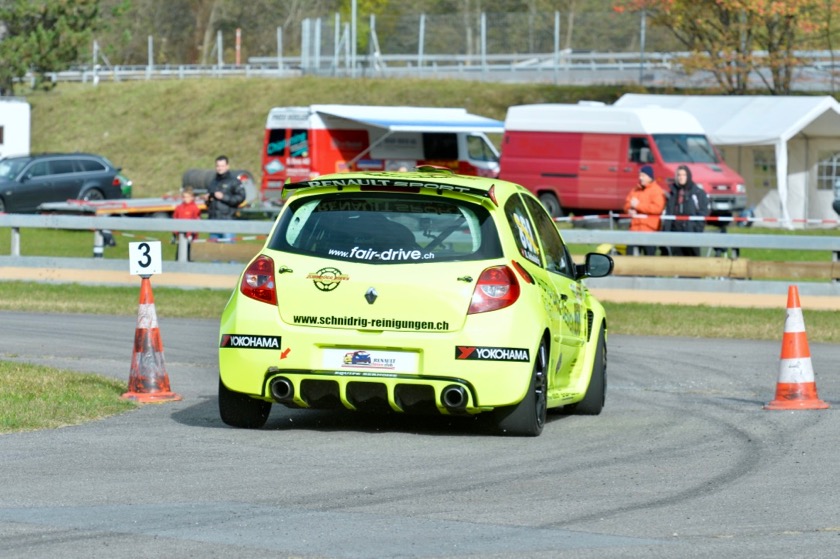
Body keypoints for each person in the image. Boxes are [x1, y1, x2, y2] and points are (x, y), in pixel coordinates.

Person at [662, 165, 710, 256]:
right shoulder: (672, 192)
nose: (681, 177)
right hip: (675, 233)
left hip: (691, 234)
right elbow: (668, 212)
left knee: (693, 263)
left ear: (688, 176)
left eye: (684, 175)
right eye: (679, 175)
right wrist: (667, 230)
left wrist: (696, 229)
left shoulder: (697, 193)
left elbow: (703, 212)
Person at [623, 165, 666, 256]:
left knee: (649, 258)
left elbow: (657, 208)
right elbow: (627, 203)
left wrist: (638, 206)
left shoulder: (656, 191)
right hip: (634, 229)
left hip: (649, 230)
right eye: (640, 175)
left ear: (649, 177)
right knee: (629, 257)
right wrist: (629, 210)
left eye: (643, 175)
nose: (640, 178)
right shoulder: (635, 189)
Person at [205, 155, 246, 242]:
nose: (220, 168)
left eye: (222, 166)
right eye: (218, 166)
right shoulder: (213, 181)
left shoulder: (234, 181)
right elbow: (209, 202)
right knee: (213, 251)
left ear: (227, 166)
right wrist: (208, 199)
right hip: (213, 221)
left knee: (228, 251)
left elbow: (241, 197)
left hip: (228, 221)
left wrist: (223, 197)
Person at [172, 186, 201, 260]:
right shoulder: (179, 208)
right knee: (178, 257)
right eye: (184, 197)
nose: (186, 199)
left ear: (192, 197)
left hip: (190, 238)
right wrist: (175, 234)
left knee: (189, 257)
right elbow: (175, 220)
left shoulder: (195, 208)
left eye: (188, 197)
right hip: (181, 237)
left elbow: (197, 222)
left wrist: (192, 234)